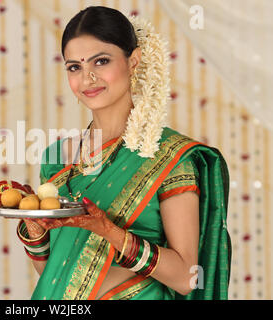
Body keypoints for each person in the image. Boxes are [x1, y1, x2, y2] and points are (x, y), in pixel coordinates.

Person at [16, 6, 231, 300]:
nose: (87, 78)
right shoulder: (57, 157)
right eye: (74, 67)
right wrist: (34, 225)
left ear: (134, 61)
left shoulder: (169, 156)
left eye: (100, 61)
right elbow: (54, 270)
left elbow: (185, 278)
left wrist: (108, 229)